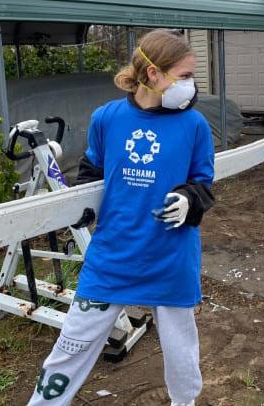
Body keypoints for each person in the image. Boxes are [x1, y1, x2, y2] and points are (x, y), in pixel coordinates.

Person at [27, 30, 215, 406]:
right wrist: (81, 209)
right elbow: (91, 172)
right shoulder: (107, 118)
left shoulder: (194, 125)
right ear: (153, 73)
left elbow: (203, 183)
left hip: (170, 259)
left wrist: (189, 199)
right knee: (71, 346)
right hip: (112, 258)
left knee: (181, 354)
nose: (191, 85)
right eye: (184, 75)